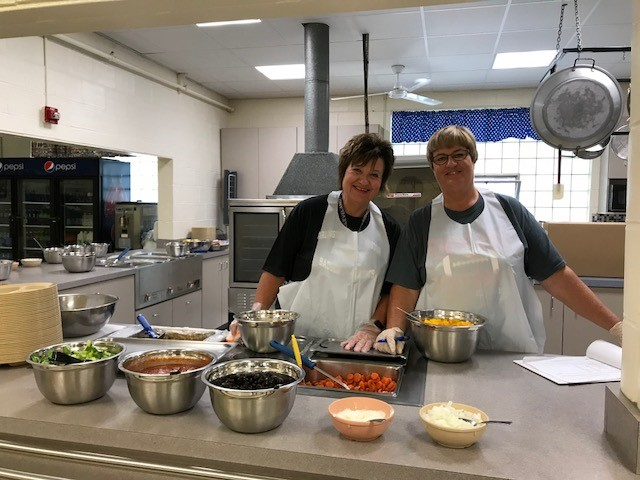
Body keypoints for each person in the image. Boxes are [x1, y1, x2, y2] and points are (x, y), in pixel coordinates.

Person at [376, 125, 623, 355]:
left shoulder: (509, 211)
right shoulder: (422, 223)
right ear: (433, 168)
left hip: (511, 354)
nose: (450, 163)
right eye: (441, 158)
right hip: (442, 355)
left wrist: (615, 326)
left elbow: (557, 277)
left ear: (473, 159)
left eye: (459, 154)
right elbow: (405, 287)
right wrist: (395, 328)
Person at [228, 133, 401, 352]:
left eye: (374, 174)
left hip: (357, 347)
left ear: (381, 182)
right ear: (344, 171)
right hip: (300, 343)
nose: (364, 181)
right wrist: (255, 314)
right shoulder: (309, 212)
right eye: (357, 170)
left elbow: (389, 290)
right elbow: (275, 270)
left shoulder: (389, 228)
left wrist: (372, 327)